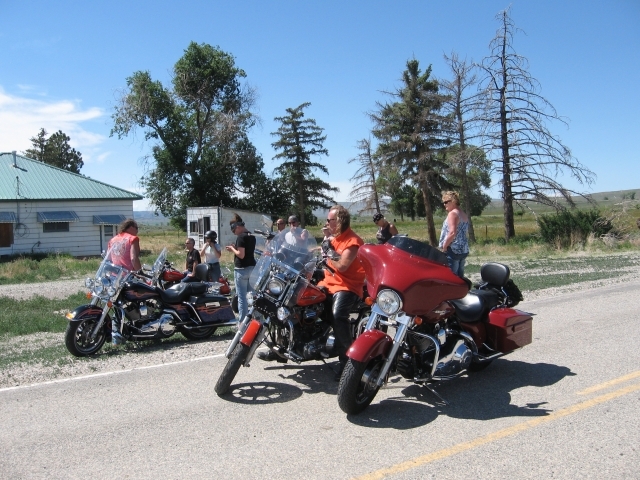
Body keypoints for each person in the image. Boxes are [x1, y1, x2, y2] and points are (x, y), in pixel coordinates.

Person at [107, 218, 142, 345]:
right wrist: (141, 273)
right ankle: (140, 328)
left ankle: (117, 336)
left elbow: (109, 259)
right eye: (136, 228)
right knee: (142, 298)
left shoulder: (113, 240)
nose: (137, 231)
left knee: (117, 306)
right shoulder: (132, 239)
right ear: (131, 227)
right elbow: (134, 258)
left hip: (114, 277)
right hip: (128, 276)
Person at [225, 213, 256, 321]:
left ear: (237, 227)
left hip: (242, 269)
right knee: (253, 296)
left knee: (242, 298)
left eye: (234, 231)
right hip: (252, 268)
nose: (234, 233)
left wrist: (232, 249)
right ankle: (256, 319)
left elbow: (241, 255)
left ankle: (243, 323)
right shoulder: (251, 236)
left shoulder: (241, 237)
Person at [438, 191, 470, 277]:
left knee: (452, 278)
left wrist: (444, 247)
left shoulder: (452, 214)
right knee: (460, 277)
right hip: (463, 250)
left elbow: (452, 233)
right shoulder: (463, 214)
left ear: (453, 201)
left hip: (453, 250)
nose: (444, 204)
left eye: (446, 202)